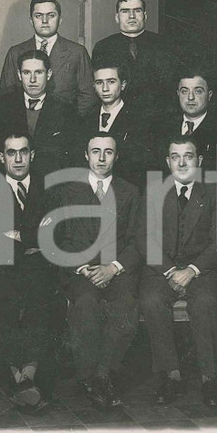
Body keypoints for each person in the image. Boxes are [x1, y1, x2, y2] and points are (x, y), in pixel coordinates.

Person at [47, 133, 143, 409]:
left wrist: (113, 268)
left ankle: (99, 376)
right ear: (85, 156)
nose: (102, 158)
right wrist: (81, 267)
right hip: (81, 271)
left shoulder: (130, 192)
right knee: (86, 304)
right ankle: (90, 375)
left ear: (117, 156)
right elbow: (57, 238)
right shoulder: (67, 191)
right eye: (96, 151)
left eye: (108, 152)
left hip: (117, 271)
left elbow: (137, 240)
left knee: (125, 305)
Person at [0, 132, 62, 410]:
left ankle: (22, 376)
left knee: (43, 296)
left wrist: (18, 236)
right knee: (5, 298)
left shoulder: (47, 189)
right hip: (1, 270)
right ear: (2, 158)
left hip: (38, 271)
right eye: (11, 153)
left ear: (32, 155)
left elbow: (54, 232)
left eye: (23, 152)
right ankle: (23, 375)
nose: (18, 158)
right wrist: (31, 240)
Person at [139, 135, 217, 407]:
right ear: (168, 162)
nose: (182, 162)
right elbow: (143, 238)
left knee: (205, 302)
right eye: (175, 156)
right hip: (162, 269)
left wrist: (193, 270)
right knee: (151, 301)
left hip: (202, 269)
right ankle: (171, 375)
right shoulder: (154, 191)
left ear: (199, 161)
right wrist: (168, 271)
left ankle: (209, 378)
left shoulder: (214, 192)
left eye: (188, 156)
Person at [0, 0, 95, 115]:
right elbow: (6, 95)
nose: (45, 21)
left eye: (51, 16)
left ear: (60, 20)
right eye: (38, 16)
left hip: (64, 125)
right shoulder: (16, 52)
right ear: (31, 20)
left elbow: (88, 96)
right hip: (24, 125)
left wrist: (71, 123)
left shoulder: (77, 52)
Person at [0, 48, 75, 180]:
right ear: (19, 75)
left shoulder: (66, 109)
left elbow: (71, 158)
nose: (32, 79)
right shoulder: (3, 106)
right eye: (27, 73)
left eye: (39, 72)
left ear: (49, 74)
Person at [91, 0, 179, 117]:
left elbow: (172, 86)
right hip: (119, 117)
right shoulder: (103, 47)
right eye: (125, 11)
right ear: (117, 17)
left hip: (158, 116)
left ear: (145, 16)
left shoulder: (164, 45)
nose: (131, 16)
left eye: (137, 11)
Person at [80, 61, 150, 189]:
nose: (105, 88)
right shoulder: (86, 119)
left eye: (111, 82)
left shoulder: (138, 121)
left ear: (123, 85)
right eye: (99, 82)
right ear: (94, 86)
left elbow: (139, 167)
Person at [151, 69, 217, 175]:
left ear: (209, 95)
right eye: (184, 91)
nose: (190, 97)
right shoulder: (161, 128)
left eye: (198, 91)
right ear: (178, 94)